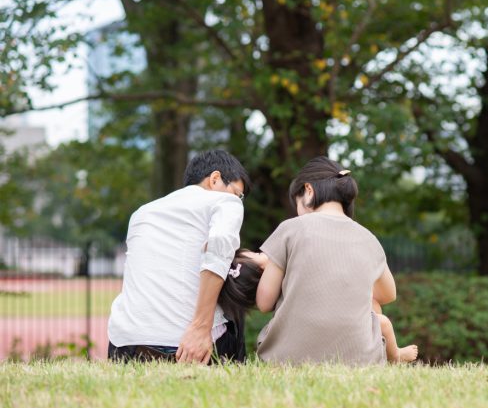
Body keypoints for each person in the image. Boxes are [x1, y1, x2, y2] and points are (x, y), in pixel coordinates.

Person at [255, 156, 418, 365]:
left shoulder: (291, 228)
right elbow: (388, 295)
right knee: (373, 305)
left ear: (309, 191)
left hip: (286, 357)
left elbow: (264, 302)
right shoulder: (367, 238)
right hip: (360, 359)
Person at [107, 149, 251, 364]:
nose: (239, 200)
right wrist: (200, 327)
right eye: (238, 193)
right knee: (235, 285)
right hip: (186, 344)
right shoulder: (226, 202)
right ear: (215, 178)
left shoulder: (142, 213)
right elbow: (219, 245)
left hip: (126, 344)